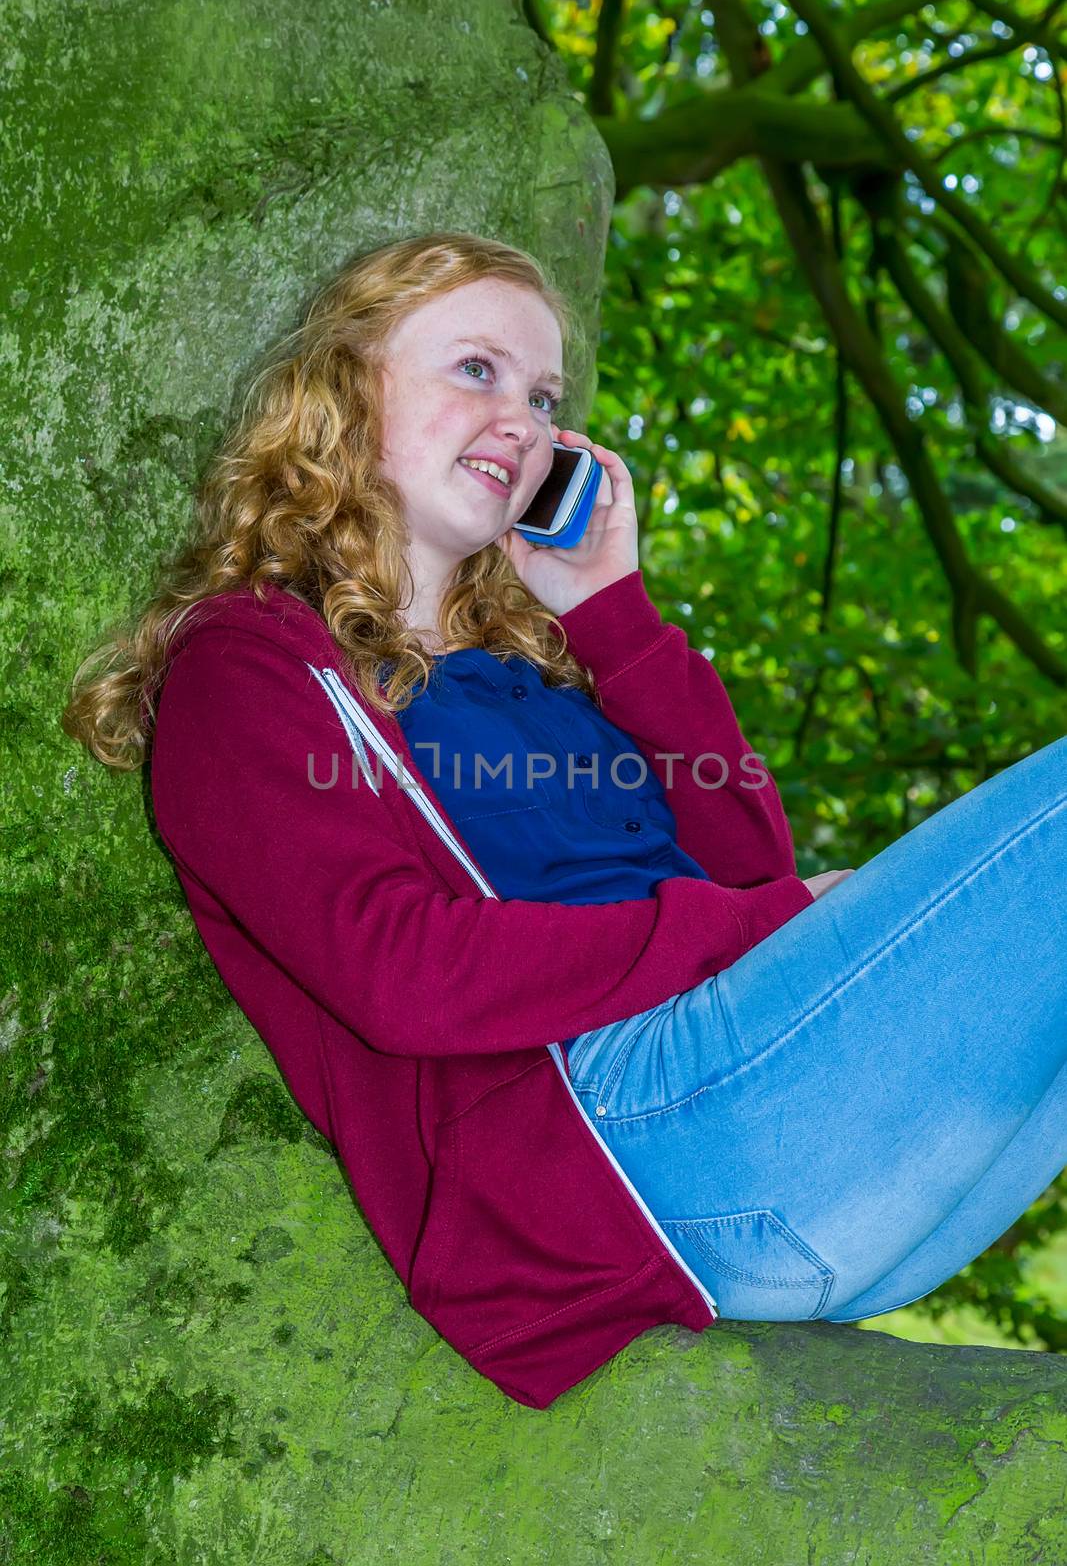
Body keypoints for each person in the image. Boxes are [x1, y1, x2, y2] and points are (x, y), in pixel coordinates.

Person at [61, 232, 1067, 1411]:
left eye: (543, 397)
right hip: (632, 1150)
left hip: (835, 1160)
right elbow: (403, 972)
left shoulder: (541, 677)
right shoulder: (249, 669)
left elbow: (749, 871)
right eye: (476, 370)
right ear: (344, 386)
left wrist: (613, 615)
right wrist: (770, 922)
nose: (524, 421)